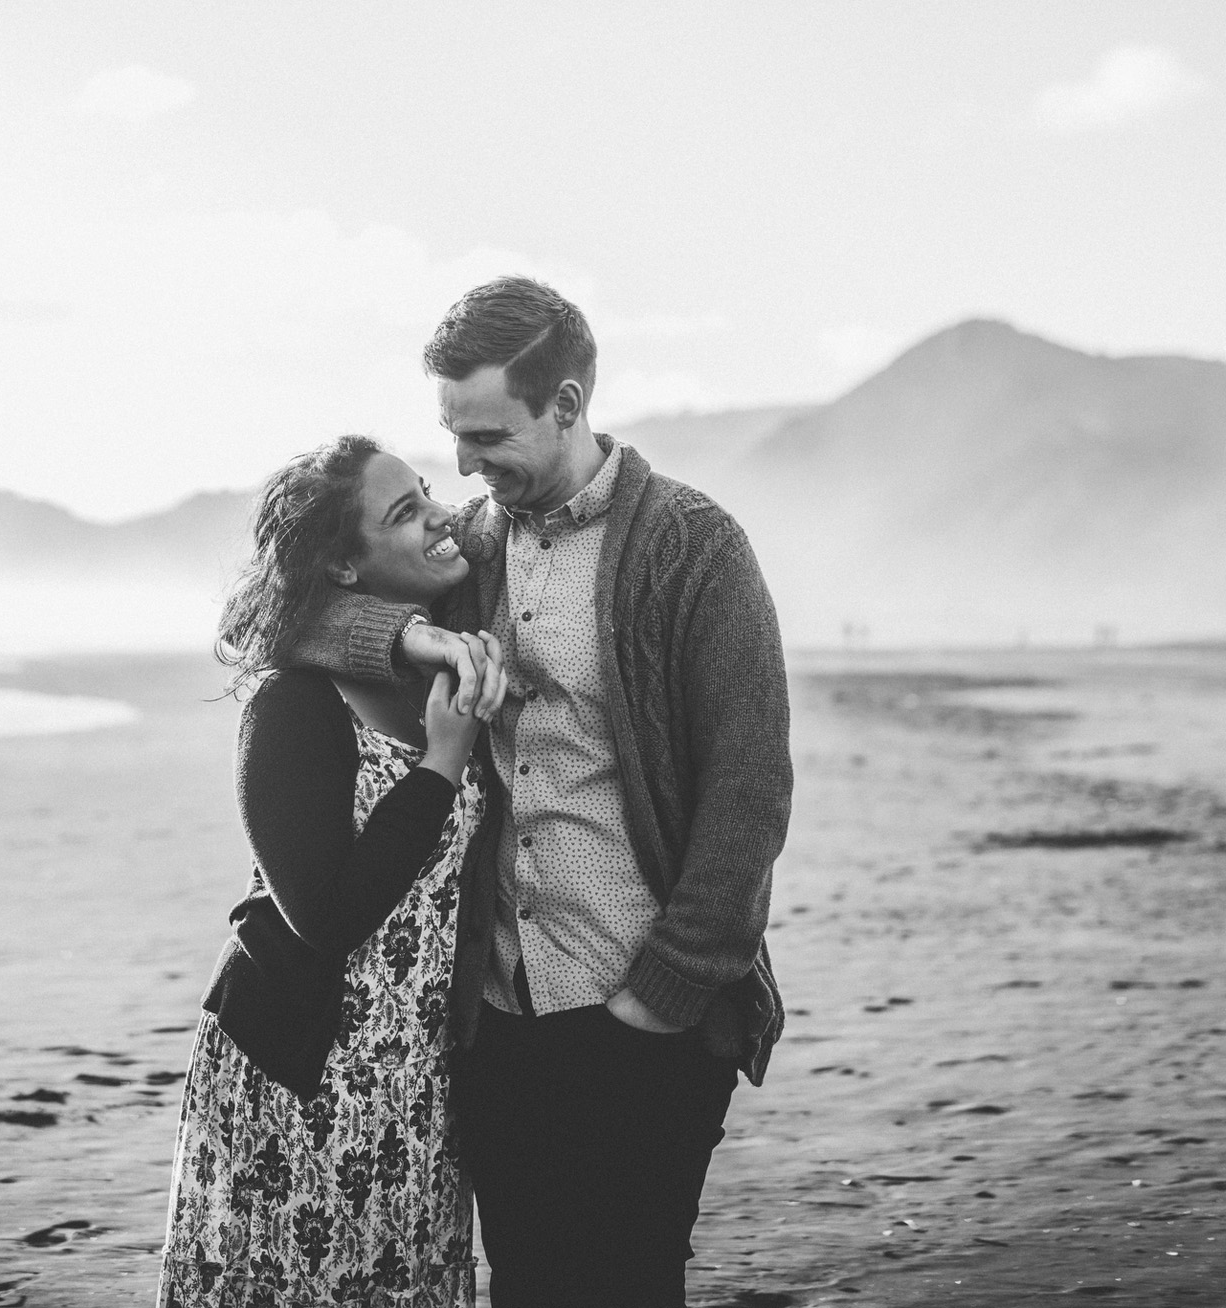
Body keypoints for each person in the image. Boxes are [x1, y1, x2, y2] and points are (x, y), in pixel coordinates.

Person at [290, 277, 793, 1307]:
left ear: (566, 405)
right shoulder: (469, 549)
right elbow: (288, 616)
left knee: (631, 1283)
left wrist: (665, 993)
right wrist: (410, 633)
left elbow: (749, 791)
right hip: (497, 1013)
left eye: (488, 437)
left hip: (647, 1008)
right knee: (525, 1282)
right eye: (453, 438)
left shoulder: (696, 548)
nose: (466, 466)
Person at [156, 435, 508, 1307]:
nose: (435, 513)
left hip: (415, 1083)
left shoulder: (430, 664)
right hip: (298, 1081)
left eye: (425, 491)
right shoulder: (293, 703)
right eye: (403, 512)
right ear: (345, 568)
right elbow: (324, 913)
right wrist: (440, 766)